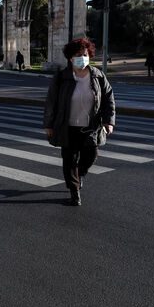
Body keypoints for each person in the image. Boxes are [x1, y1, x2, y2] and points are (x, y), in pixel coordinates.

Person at [43, 38, 115, 206]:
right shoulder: (62, 77)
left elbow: (108, 99)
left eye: (85, 54)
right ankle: (74, 192)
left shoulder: (98, 76)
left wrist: (108, 121)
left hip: (91, 127)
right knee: (69, 160)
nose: (82, 58)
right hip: (67, 127)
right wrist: (48, 124)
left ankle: (80, 173)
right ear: (70, 57)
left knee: (91, 155)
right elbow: (51, 102)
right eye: (78, 55)